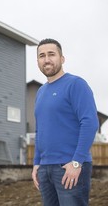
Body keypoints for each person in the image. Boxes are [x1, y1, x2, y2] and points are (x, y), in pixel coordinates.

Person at [31, 38, 99, 206]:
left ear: (62, 59)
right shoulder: (40, 92)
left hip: (69, 166)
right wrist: (36, 163)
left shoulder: (76, 84)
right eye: (42, 56)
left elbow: (90, 123)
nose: (46, 59)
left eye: (51, 54)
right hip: (45, 169)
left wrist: (76, 162)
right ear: (38, 61)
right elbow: (40, 130)